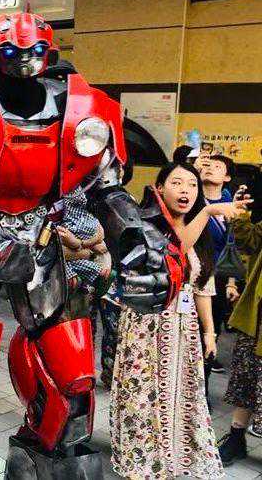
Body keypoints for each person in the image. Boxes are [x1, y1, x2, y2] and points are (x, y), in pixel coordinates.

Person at [110, 162, 249, 479]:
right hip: (145, 326)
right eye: (177, 183)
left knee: (181, 393)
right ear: (160, 188)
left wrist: (209, 332)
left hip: (182, 328)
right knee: (142, 395)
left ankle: (173, 456)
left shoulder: (199, 231)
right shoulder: (146, 224)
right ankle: (141, 460)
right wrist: (209, 211)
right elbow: (174, 249)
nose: (186, 190)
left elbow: (202, 285)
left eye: (192, 184)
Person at [218, 192, 262, 465]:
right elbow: (248, 242)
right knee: (245, 377)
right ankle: (236, 439)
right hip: (255, 317)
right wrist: (241, 215)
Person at [198, 153, 236, 375]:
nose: (210, 168)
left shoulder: (229, 204)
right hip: (193, 273)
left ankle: (204, 379)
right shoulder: (191, 198)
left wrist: (231, 282)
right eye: (207, 164)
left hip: (218, 275)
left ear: (227, 177)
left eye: (217, 166)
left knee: (211, 330)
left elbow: (232, 245)